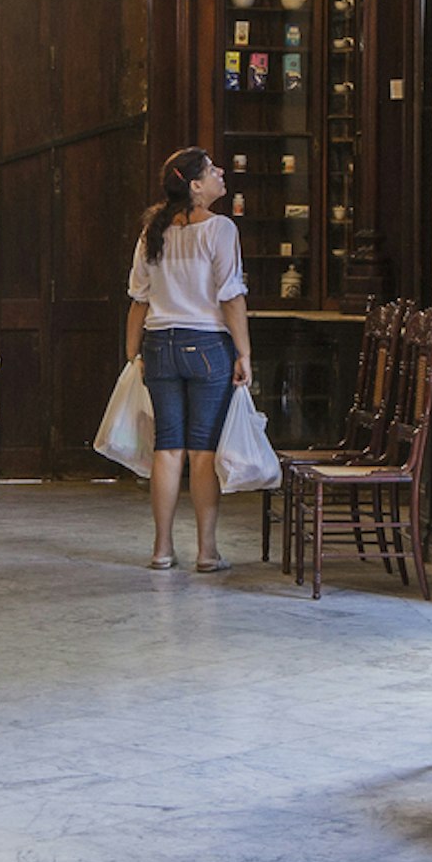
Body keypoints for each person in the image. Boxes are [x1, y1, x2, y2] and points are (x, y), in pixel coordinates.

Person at [122, 145, 253, 571]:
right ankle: (207, 551)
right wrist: (244, 354)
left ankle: (162, 550)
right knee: (202, 452)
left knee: (168, 449)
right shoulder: (219, 230)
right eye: (213, 170)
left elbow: (138, 300)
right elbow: (231, 296)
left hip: (159, 345)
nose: (221, 174)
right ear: (196, 186)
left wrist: (131, 353)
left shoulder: (152, 231)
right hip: (208, 347)